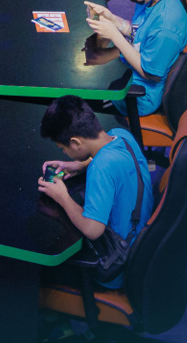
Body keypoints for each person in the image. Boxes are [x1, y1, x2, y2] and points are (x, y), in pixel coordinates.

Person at [36, 94, 153, 290]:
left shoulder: (101, 168)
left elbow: (92, 230)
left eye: (63, 148)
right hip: (141, 241)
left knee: (41, 270)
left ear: (75, 143)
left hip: (116, 265)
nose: (64, 153)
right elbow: (110, 160)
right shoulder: (122, 136)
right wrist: (79, 165)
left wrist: (62, 197)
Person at [83, 0, 187, 119]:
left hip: (139, 95)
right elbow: (141, 32)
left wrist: (115, 36)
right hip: (128, 73)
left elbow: (151, 74)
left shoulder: (166, 27)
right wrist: (114, 20)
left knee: (78, 97)